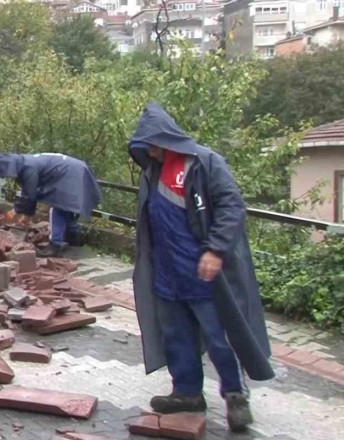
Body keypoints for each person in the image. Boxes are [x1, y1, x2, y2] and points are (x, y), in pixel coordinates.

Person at [129, 103, 274, 432]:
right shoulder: (152, 171)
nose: (149, 151)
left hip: (203, 272)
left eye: (152, 143)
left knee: (219, 336)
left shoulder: (205, 163)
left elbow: (232, 205)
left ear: (166, 139)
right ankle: (187, 392)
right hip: (167, 271)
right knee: (176, 335)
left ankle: (235, 395)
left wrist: (216, 250)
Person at [0, 153, 101, 257]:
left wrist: (25, 214)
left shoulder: (28, 168)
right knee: (64, 207)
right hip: (76, 170)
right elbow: (27, 192)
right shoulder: (27, 162)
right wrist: (19, 211)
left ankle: (54, 245)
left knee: (56, 206)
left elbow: (30, 194)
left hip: (70, 173)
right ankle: (74, 238)